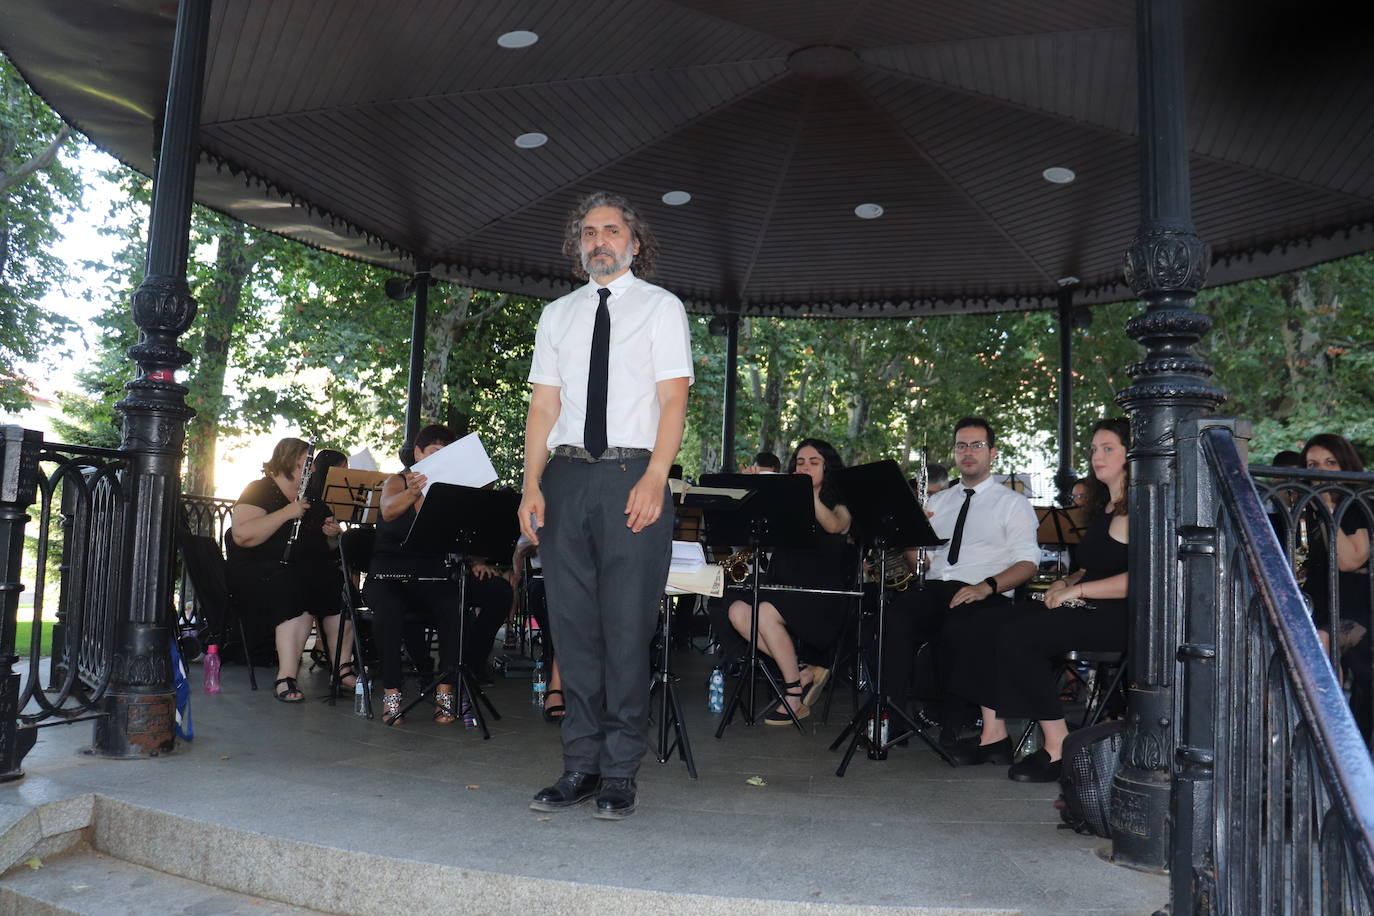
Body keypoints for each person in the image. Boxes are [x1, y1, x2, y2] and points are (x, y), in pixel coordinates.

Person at [519, 191, 693, 820]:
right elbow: (543, 407)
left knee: (625, 629)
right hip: (564, 478)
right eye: (589, 231)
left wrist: (654, 477)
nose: (600, 240)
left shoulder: (661, 308)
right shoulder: (557, 315)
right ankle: (579, 767)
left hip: (630, 474)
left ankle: (620, 771)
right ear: (578, 244)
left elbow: (673, 402)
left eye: (612, 230)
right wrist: (530, 485)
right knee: (572, 628)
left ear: (634, 242)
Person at [944, 418, 1131, 782]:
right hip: (1088, 603)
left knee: (1021, 636)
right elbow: (1096, 566)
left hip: (1116, 616)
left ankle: (1058, 745)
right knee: (985, 620)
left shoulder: (1138, 507)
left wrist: (1075, 591)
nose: (1097, 456)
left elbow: (1136, 579)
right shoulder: (1106, 506)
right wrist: (1067, 580)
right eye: (1094, 449)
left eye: (1108, 448)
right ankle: (993, 735)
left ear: (1132, 455)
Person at [879, 417, 1040, 731]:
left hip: (984, 593)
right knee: (893, 617)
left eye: (976, 445)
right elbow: (920, 566)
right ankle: (891, 719)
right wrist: (911, 538)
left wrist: (985, 587)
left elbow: (1028, 564)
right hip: (938, 589)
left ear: (992, 452)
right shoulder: (938, 502)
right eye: (961, 446)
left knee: (960, 625)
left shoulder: (1013, 504)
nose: (968, 452)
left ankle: (956, 723)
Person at [365, 423, 512, 725]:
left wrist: (475, 560)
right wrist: (414, 491)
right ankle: (392, 692)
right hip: (390, 576)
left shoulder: (449, 493)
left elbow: (464, 534)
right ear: (418, 453)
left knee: (452, 602)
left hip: (431, 575)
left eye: (447, 454)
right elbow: (389, 510)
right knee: (389, 609)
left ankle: (447, 691)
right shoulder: (397, 481)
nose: (440, 459)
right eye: (434, 452)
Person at [725, 438, 854, 724]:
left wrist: (806, 492)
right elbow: (751, 529)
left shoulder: (841, 502)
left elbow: (835, 525)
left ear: (827, 468)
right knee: (737, 612)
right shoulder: (785, 501)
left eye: (814, 462)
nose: (806, 467)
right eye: (800, 463)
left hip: (821, 595)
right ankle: (802, 672)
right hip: (781, 587)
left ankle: (793, 693)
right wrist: (750, 489)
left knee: (765, 613)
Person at [226, 438, 354, 703]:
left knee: (341, 588)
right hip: (258, 573)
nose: (310, 471)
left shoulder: (313, 499)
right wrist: (287, 512)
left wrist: (332, 536)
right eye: (303, 465)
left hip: (302, 571)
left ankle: (342, 668)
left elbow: (327, 547)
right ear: (287, 463)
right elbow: (242, 536)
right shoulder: (259, 490)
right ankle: (286, 676)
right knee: (295, 589)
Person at [1300, 434, 1371, 740]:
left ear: (1345, 464)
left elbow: (1350, 560)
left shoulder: (1360, 503)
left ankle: (1333, 739)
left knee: (1321, 642)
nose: (1322, 471)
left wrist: (1329, 510)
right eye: (1313, 465)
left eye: (1331, 462)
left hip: (1359, 613)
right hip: (1320, 607)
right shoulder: (1304, 510)